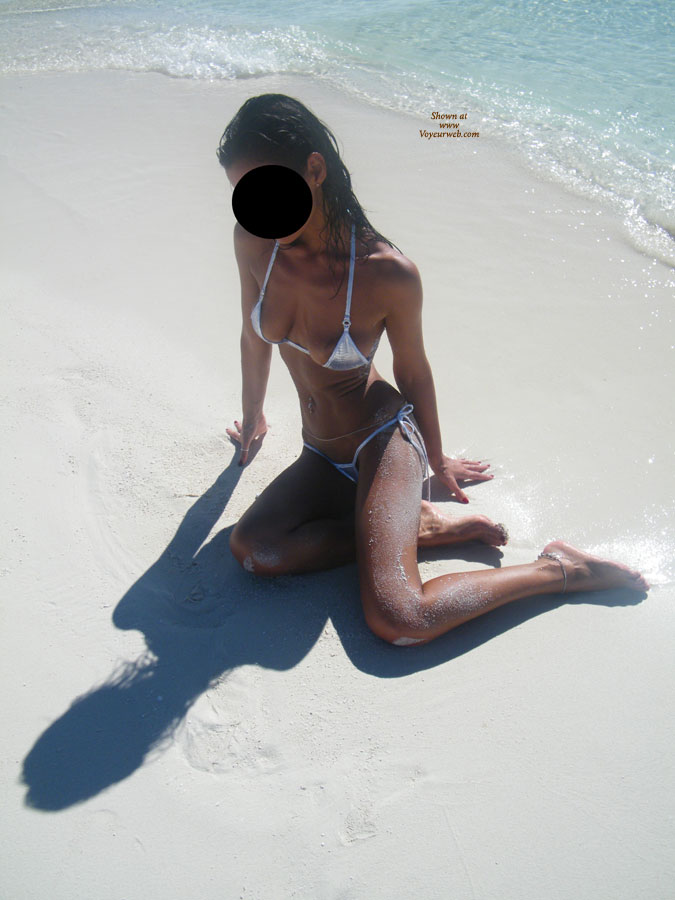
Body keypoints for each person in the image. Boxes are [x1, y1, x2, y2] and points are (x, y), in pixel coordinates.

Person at [217, 93, 649, 647]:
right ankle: (419, 527)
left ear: (314, 171)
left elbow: (413, 371)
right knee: (255, 550)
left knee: (400, 619)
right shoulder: (255, 243)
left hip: (382, 441)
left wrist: (436, 459)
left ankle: (562, 568)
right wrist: (253, 418)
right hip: (320, 452)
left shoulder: (385, 272)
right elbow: (253, 337)